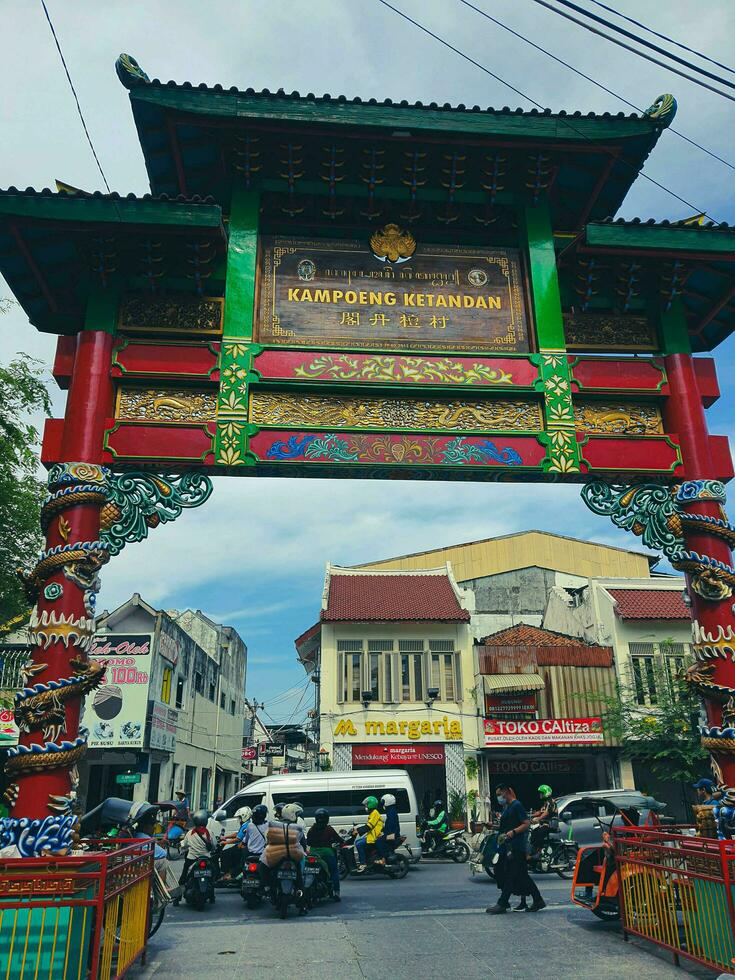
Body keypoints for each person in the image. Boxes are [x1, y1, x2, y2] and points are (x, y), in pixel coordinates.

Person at [486, 784, 545, 915]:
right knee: (521, 875)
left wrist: (513, 832)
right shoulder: (508, 807)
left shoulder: (517, 805)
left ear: (506, 793)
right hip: (508, 846)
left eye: (499, 794)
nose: (498, 798)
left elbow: (526, 823)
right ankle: (538, 900)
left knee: (510, 875)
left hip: (516, 847)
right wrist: (493, 827)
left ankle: (502, 903)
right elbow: (506, 826)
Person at [174, 809, 215, 904]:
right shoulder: (209, 833)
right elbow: (214, 846)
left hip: (192, 860)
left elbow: (184, 845)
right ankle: (212, 897)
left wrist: (181, 847)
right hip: (206, 859)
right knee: (212, 875)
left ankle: (177, 899)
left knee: (183, 877)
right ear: (205, 821)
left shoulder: (190, 833)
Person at [306, 808, 342, 901]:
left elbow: (308, 842)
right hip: (327, 853)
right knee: (334, 871)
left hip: (313, 853)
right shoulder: (329, 829)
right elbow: (339, 840)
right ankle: (336, 892)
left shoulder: (312, 829)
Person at [219, 805, 252, 879]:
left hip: (242, 847)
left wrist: (225, 842)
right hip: (242, 846)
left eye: (239, 817)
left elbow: (238, 839)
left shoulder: (246, 825)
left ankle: (226, 873)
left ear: (244, 816)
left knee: (224, 853)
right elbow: (237, 834)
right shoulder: (246, 824)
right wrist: (225, 837)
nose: (239, 819)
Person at [355, 796, 384, 870]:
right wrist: (356, 828)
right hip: (372, 836)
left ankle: (363, 863)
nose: (366, 807)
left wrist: (357, 830)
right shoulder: (373, 813)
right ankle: (367, 860)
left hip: (375, 837)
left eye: (366, 805)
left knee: (359, 844)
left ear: (371, 805)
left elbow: (369, 826)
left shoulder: (375, 813)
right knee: (358, 841)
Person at [529, 784, 558, 854]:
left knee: (539, 833)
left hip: (550, 824)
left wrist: (538, 818)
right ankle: (535, 850)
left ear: (546, 793)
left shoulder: (551, 802)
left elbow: (547, 813)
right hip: (545, 824)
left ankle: (539, 851)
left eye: (541, 793)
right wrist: (530, 815)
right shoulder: (545, 803)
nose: (540, 795)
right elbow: (540, 811)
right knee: (533, 833)